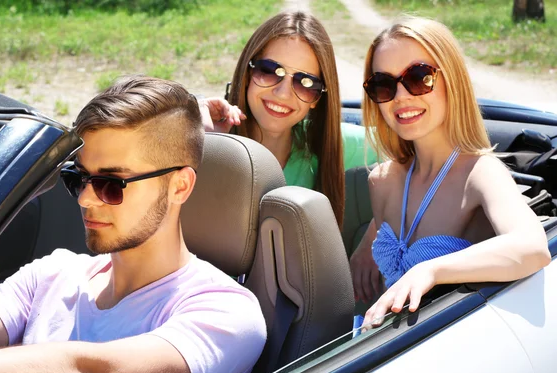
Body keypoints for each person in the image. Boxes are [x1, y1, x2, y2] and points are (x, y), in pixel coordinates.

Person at [0, 75, 267, 373]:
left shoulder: (225, 311)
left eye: (111, 184)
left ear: (180, 186)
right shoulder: (51, 274)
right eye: (77, 178)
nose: (85, 199)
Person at [358, 16, 550, 327]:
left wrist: (431, 270)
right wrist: (364, 250)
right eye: (384, 84)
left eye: (419, 77)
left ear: (453, 80)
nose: (402, 96)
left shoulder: (481, 173)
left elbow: (532, 247)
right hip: (383, 345)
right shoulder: (381, 181)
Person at [200, 11, 378, 226]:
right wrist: (205, 143)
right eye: (270, 71)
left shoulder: (331, 143)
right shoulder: (206, 135)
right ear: (248, 73)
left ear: (318, 98)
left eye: (306, 83)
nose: (283, 94)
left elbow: (409, 145)